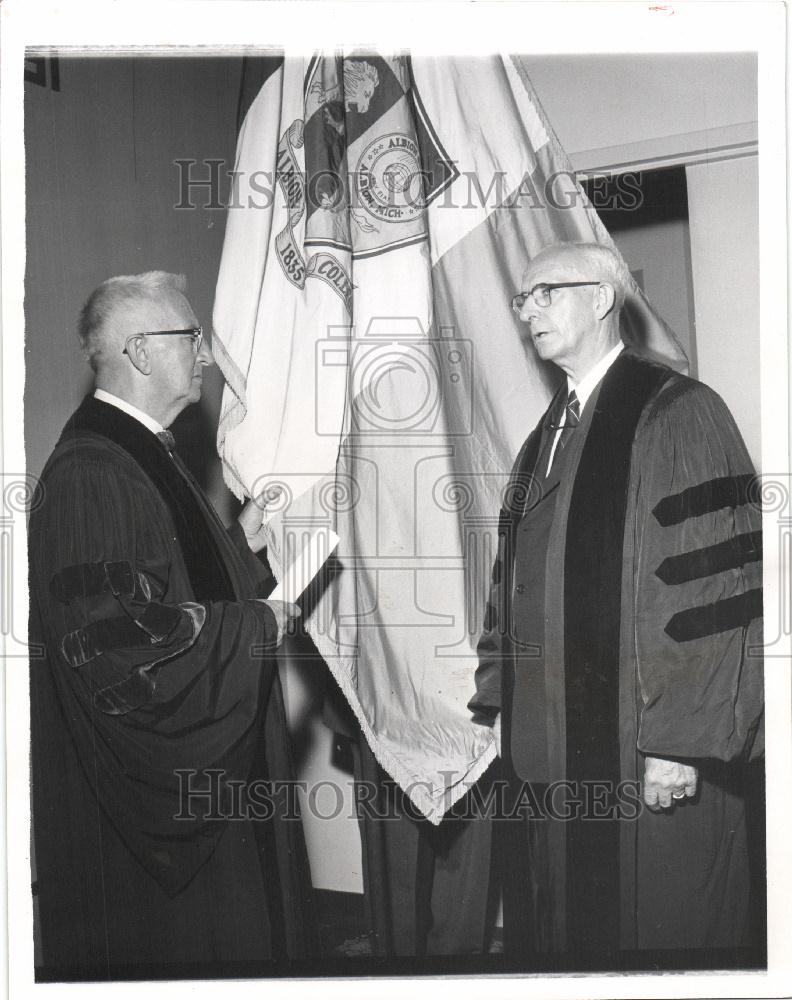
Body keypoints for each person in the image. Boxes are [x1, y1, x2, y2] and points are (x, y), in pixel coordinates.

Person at [468, 242, 764, 969]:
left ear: (602, 299)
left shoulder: (679, 412)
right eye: (522, 299)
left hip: (648, 744)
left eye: (547, 293)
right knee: (565, 929)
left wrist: (679, 743)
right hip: (554, 744)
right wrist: (500, 692)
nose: (528, 310)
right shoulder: (549, 433)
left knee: (661, 926)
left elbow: (714, 590)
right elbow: (514, 580)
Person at [29, 271, 315, 980]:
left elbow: (169, 578)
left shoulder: (144, 449)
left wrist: (237, 540)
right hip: (150, 815)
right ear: (141, 352)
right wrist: (257, 628)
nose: (206, 356)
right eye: (190, 337)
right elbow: (121, 641)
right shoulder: (92, 472)